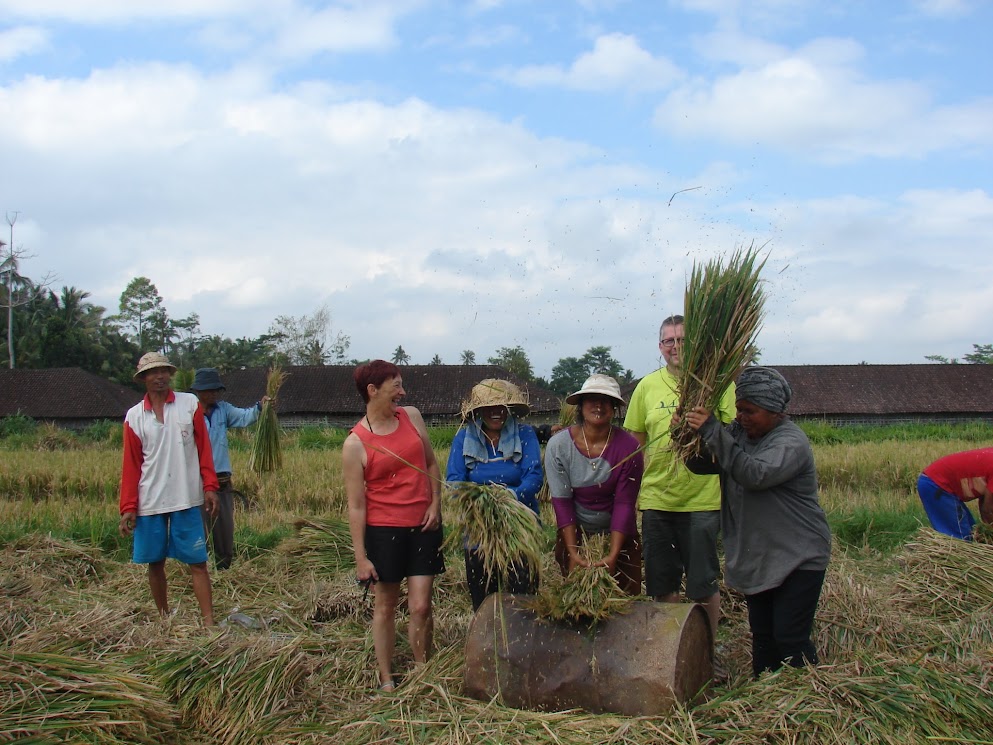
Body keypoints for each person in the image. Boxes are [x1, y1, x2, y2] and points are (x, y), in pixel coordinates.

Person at [684, 366, 831, 678]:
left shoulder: (790, 442)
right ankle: (766, 696)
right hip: (761, 554)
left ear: (775, 412)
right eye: (738, 409)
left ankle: (810, 699)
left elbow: (754, 474)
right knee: (763, 637)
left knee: (790, 638)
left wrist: (713, 431)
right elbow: (703, 465)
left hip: (798, 556)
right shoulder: (741, 435)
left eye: (750, 411)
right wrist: (687, 434)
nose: (741, 417)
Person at [623, 314, 735, 637]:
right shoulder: (646, 387)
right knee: (662, 584)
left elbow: (735, 436)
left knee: (703, 583)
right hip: (657, 499)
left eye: (682, 340)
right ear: (660, 346)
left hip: (702, 499)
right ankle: (670, 653)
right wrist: (629, 498)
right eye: (669, 341)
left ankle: (707, 654)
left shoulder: (718, 383)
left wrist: (709, 423)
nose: (675, 346)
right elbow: (635, 447)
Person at [342, 360, 444, 692]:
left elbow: (430, 462)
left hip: (423, 526)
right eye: (396, 386)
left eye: (402, 385)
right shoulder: (356, 443)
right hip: (384, 532)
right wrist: (361, 558)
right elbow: (356, 505)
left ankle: (421, 669)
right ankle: (386, 675)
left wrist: (435, 503)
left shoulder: (411, 417)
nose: (403, 392)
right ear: (372, 391)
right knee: (385, 605)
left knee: (421, 605)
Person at [119, 352, 220, 626]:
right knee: (155, 563)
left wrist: (210, 486)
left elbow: (203, 449)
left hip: (186, 497)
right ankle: (164, 618)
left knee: (198, 562)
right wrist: (128, 507)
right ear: (143, 379)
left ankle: (209, 624)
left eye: (163, 371)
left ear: (170, 374)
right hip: (150, 500)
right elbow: (131, 465)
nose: (159, 376)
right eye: (152, 372)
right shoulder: (134, 417)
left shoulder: (189, 405)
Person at [446, 378, 543, 611]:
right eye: (489, 407)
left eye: (501, 407)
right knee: (483, 597)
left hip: (520, 526)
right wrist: (480, 501)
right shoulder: (464, 438)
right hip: (480, 527)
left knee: (522, 594)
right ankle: (488, 643)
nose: (496, 413)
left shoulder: (525, 434)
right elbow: (454, 480)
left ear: (509, 409)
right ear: (478, 410)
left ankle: (522, 644)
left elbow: (534, 475)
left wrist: (512, 496)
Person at [544, 374, 644, 595]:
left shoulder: (630, 448)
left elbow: (624, 504)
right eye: (591, 399)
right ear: (580, 406)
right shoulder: (559, 446)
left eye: (606, 400)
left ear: (615, 407)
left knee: (623, 599)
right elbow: (562, 501)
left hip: (618, 532)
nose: (599, 405)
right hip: (576, 531)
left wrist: (613, 555)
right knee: (575, 599)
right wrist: (573, 552)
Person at [190, 367, 271, 570]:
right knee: (199, 528)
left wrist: (260, 407)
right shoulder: (188, 414)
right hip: (196, 481)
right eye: (211, 390)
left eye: (217, 390)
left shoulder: (223, 410)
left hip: (221, 481)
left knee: (224, 528)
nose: (215, 394)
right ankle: (201, 568)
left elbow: (245, 417)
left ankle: (224, 567)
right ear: (199, 391)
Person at [917, 448, 993, 540]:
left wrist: (987, 530)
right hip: (936, 484)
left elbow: (985, 502)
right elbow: (987, 510)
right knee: (961, 538)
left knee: (971, 531)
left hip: (936, 483)